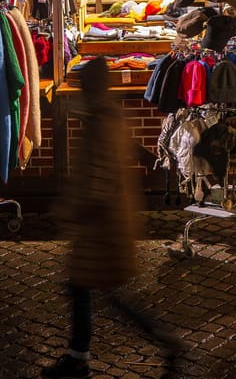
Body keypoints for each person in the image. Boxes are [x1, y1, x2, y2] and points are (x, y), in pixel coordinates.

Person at [42, 57, 179, 378]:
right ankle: (80, 355)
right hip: (109, 222)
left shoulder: (100, 122)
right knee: (94, 291)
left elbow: (98, 178)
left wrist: (70, 210)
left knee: (100, 293)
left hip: (100, 226)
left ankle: (161, 340)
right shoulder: (108, 116)